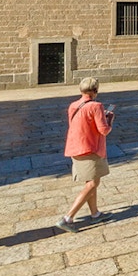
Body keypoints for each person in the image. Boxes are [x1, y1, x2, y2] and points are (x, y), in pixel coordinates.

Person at [56, 78, 115, 233]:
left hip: (75, 146)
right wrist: (109, 120)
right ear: (95, 91)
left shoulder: (73, 105)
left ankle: (95, 213)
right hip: (90, 149)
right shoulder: (97, 106)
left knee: (91, 181)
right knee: (93, 184)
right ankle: (68, 218)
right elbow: (104, 130)